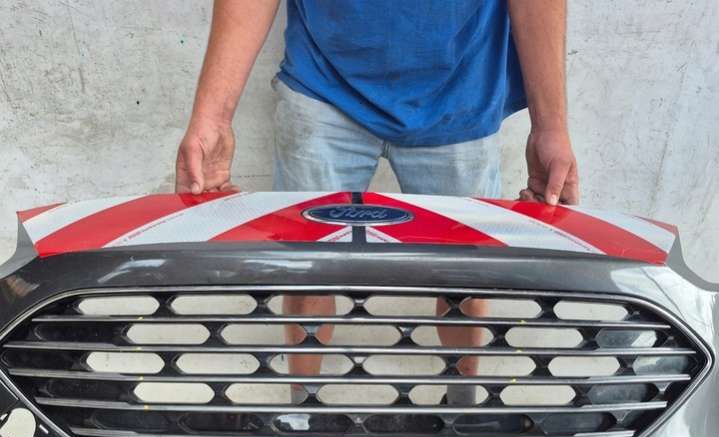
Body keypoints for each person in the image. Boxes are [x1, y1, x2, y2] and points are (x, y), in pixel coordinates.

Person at [176, 0, 579, 405]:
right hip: (323, 83)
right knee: (307, 270)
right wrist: (212, 117)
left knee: (468, 279)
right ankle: (302, 412)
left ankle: (462, 409)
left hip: (461, 93)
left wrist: (551, 127)